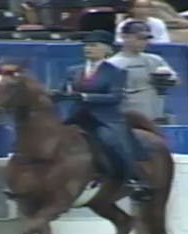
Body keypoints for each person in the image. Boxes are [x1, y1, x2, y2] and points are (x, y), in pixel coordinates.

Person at [55, 30, 151, 197]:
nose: (88, 48)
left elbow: (115, 96)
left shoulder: (116, 72)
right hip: (78, 117)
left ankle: (132, 178)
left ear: (107, 50)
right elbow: (64, 90)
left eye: (93, 45)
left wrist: (84, 96)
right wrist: (54, 95)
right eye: (86, 45)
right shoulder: (73, 70)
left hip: (104, 119)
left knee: (111, 142)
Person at [108, 20, 179, 123]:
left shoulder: (155, 60)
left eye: (145, 39)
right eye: (139, 38)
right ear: (124, 36)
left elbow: (176, 80)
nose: (143, 42)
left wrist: (168, 81)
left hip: (157, 117)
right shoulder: (113, 64)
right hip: (130, 120)